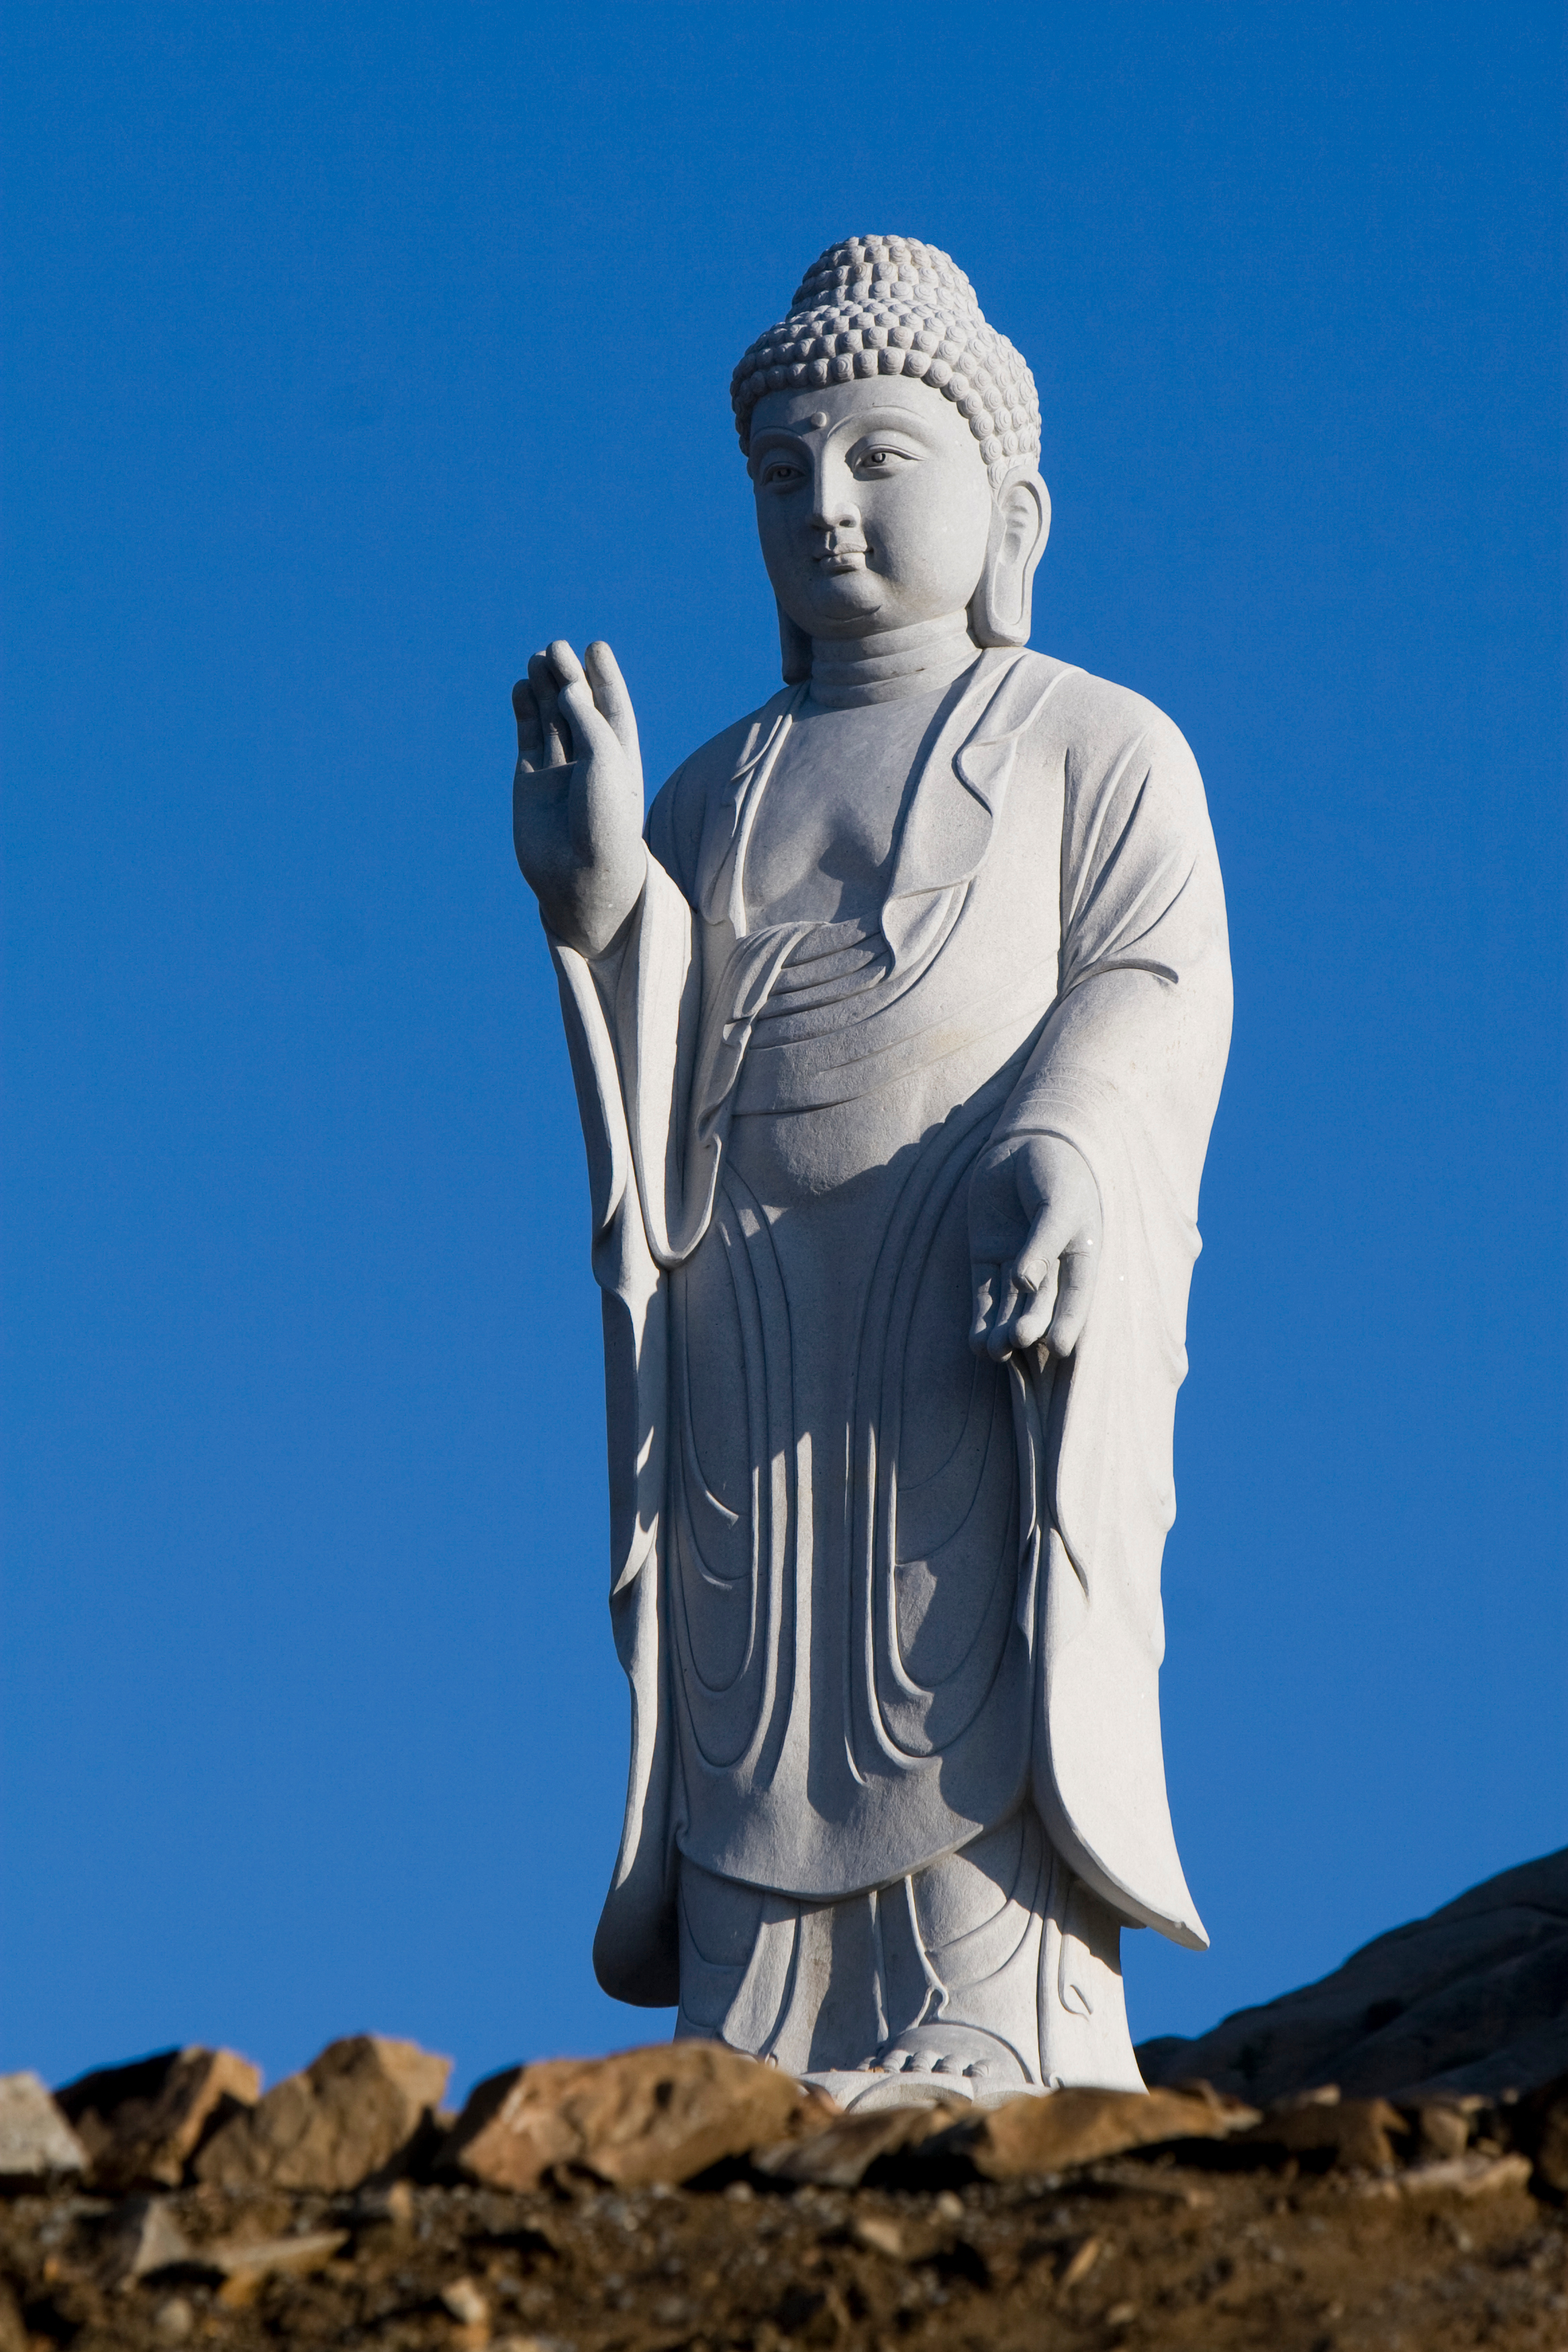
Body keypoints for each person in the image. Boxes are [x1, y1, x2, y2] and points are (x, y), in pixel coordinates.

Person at [511, 236, 1231, 2106]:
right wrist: (598, 896)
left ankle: (992, 2014)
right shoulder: (715, 788)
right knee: (755, 1659)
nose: (825, 506)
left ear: (1009, 500)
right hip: (754, 1309)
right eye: (782, 475)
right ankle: (749, 2031)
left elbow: (1160, 981)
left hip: (966, 1284)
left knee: (957, 1630)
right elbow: (655, 1060)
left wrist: (1074, 1153)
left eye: (876, 458)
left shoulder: (1098, 745)